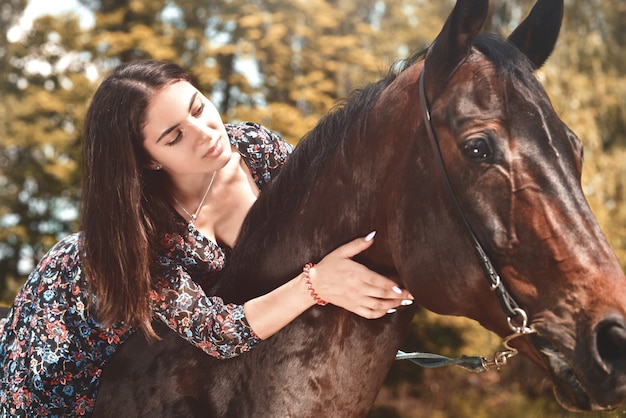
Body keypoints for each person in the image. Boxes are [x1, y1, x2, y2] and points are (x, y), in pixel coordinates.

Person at [0, 60, 413, 416]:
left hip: (161, 352)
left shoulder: (255, 148)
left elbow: (315, 229)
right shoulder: (143, 236)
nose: (206, 133)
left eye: (199, 107)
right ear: (147, 160)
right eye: (175, 136)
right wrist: (317, 284)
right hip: (70, 334)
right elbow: (219, 332)